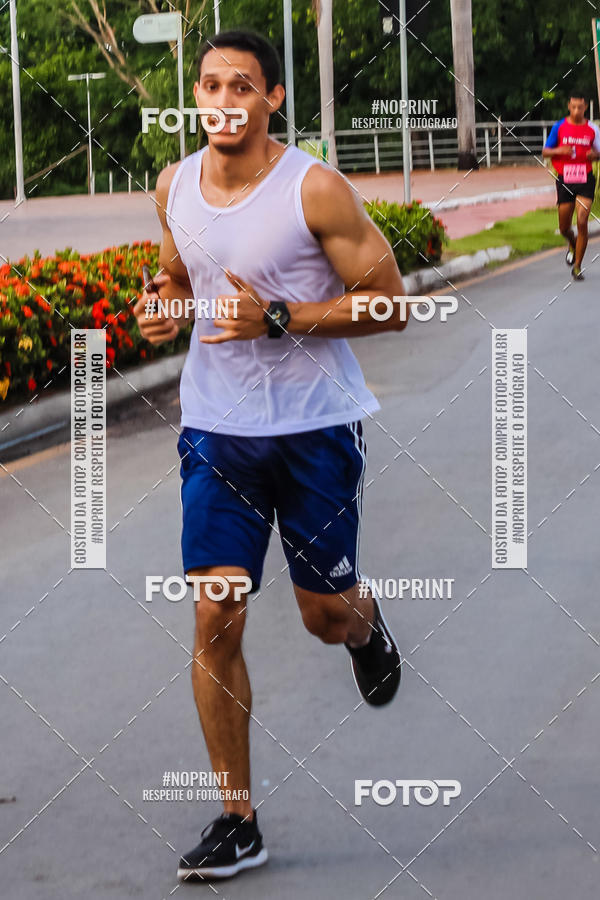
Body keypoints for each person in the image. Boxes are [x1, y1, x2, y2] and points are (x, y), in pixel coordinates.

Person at [133, 29, 411, 881]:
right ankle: (238, 818)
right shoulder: (173, 184)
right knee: (216, 614)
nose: (223, 100)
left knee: (322, 615)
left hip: (316, 427)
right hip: (218, 429)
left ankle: (363, 627)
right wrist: (162, 304)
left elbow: (392, 305)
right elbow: (177, 277)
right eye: (210, 84)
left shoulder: (314, 189)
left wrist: (283, 316)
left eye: (242, 86)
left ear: (273, 99)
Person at [542, 89, 600, 280]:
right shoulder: (559, 127)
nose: (576, 111)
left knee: (582, 221)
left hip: (585, 179)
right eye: (573, 107)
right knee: (564, 227)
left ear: (585, 107)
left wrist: (596, 155)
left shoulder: (593, 129)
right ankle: (572, 242)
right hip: (565, 179)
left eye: (580, 107)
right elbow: (545, 152)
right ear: (569, 106)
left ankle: (577, 266)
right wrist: (560, 150)